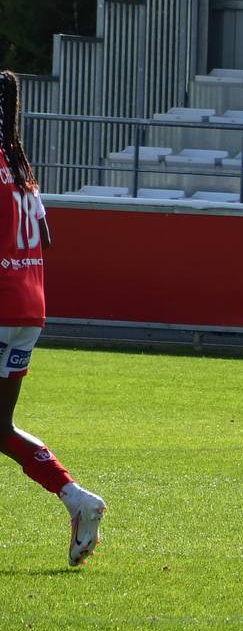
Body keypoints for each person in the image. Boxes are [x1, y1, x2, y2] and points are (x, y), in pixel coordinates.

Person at [0, 71, 107, 566]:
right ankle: (77, 499)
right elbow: (46, 236)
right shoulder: (22, 168)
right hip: (28, 310)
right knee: (0, 426)